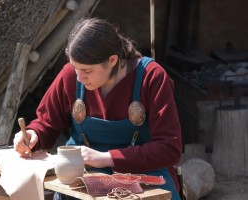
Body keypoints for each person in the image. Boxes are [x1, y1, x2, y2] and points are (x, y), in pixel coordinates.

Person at [13, 17, 182, 200]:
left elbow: (169, 148)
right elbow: (46, 123)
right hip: (83, 179)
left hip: (144, 180)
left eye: (87, 71)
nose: (79, 78)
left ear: (112, 60)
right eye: (75, 67)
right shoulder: (71, 74)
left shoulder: (151, 77)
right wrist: (33, 134)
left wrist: (107, 158)